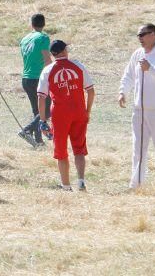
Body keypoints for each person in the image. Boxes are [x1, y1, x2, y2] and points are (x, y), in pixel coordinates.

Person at [119, 23, 155, 190]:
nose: (140, 38)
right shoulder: (138, 54)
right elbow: (129, 75)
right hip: (139, 111)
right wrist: (123, 92)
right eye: (138, 35)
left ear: (153, 35)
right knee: (138, 148)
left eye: (143, 34)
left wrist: (151, 69)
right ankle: (137, 184)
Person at [37, 40, 95, 191]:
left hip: (60, 114)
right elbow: (90, 90)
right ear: (64, 51)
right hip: (79, 111)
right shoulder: (78, 66)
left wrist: (42, 120)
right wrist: (87, 111)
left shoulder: (48, 70)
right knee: (79, 148)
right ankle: (81, 181)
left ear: (53, 54)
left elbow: (41, 97)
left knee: (61, 150)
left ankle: (66, 186)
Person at [20, 14, 52, 145]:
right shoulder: (43, 38)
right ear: (44, 24)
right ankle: (27, 130)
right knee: (48, 108)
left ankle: (38, 140)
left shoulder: (24, 39)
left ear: (31, 24)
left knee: (37, 110)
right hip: (38, 77)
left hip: (26, 78)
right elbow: (47, 59)